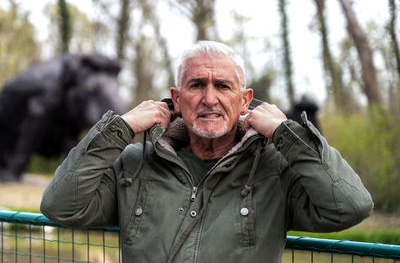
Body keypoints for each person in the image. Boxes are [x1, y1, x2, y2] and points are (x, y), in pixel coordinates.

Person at [40, 41, 373, 263]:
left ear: (244, 100)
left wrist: (286, 133)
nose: (209, 99)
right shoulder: (135, 165)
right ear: (177, 97)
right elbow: (60, 206)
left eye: (223, 86)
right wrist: (120, 128)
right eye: (196, 85)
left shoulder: (276, 170)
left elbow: (351, 206)